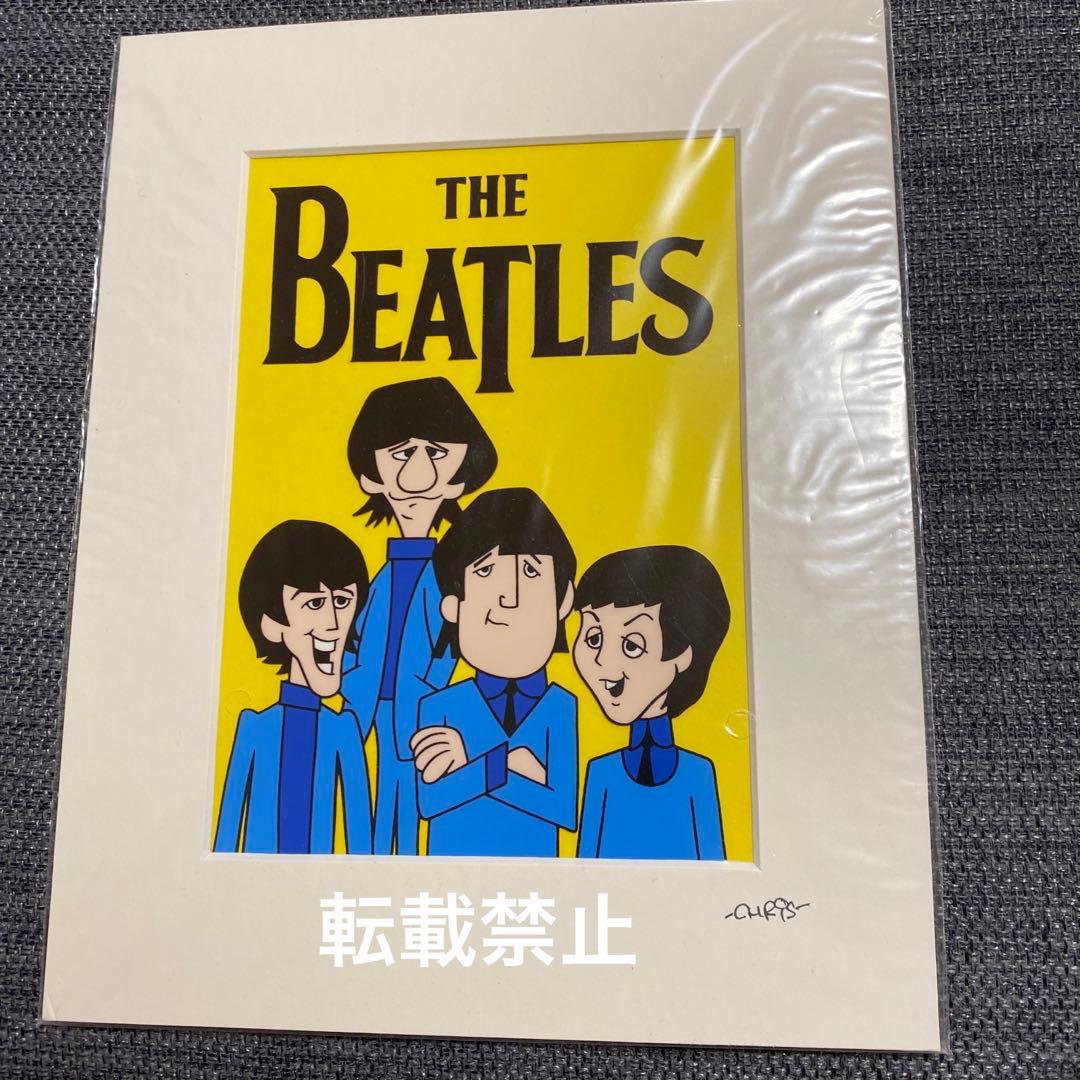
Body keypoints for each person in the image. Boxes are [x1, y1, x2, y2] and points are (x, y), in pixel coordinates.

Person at [341, 376, 497, 855]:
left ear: (458, 477)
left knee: (410, 813)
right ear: (372, 477)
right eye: (401, 454)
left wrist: (432, 697)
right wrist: (352, 683)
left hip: (422, 712)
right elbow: (355, 637)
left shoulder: (450, 577)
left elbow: (460, 646)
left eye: (436, 454)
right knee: (365, 812)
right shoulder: (379, 578)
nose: (417, 476)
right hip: (367, 706)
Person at [409, 488, 578, 857]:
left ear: (563, 601)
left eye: (531, 571)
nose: (509, 597)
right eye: (485, 570)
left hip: (535, 878)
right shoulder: (440, 706)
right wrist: (504, 764)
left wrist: (469, 766)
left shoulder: (560, 706)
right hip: (450, 875)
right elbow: (430, 800)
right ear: (452, 607)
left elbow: (563, 809)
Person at [214, 520, 371, 854]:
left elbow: (362, 846)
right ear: (272, 625)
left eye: (342, 601)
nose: (332, 623)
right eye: (314, 604)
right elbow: (226, 834)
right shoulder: (253, 727)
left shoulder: (344, 730)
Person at [573, 546, 730, 860]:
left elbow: (715, 867)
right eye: (593, 638)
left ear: (682, 654)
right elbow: (585, 864)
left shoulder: (697, 774)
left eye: (631, 645)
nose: (603, 660)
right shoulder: (601, 773)